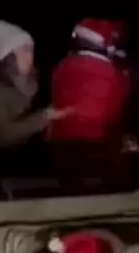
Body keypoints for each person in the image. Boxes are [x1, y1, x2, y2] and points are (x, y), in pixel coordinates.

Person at [0, 20, 69, 198]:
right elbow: (3, 136)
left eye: (31, 49)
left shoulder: (31, 81)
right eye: (24, 51)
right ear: (9, 57)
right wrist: (44, 117)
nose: (30, 56)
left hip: (13, 159)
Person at [49, 19, 133, 190]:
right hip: (98, 147)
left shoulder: (62, 67)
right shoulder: (110, 72)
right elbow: (121, 104)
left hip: (61, 148)